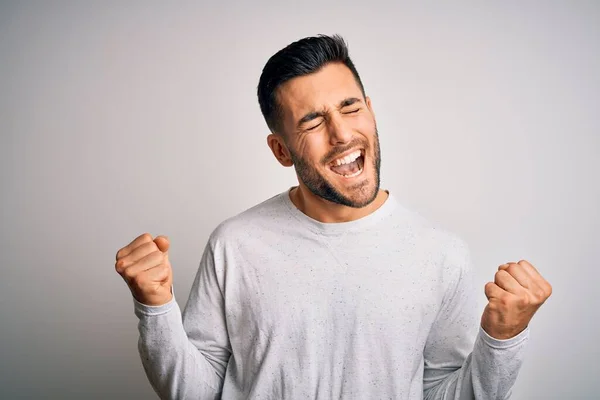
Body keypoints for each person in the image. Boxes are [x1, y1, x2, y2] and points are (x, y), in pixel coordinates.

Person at [114, 34, 552, 399]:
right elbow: (200, 391)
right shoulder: (234, 244)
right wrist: (155, 309)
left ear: (370, 109)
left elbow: (443, 392)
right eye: (312, 121)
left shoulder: (442, 254)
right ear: (281, 150)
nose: (342, 134)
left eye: (350, 107)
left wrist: (502, 338)